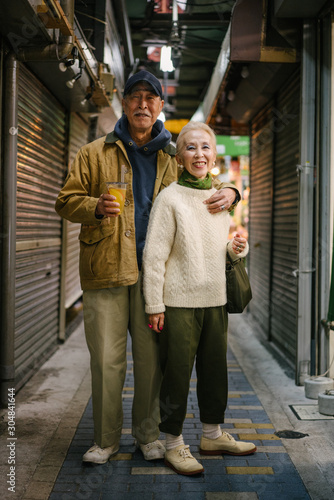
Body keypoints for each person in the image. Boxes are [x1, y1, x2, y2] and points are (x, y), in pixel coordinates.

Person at [55, 71, 240, 465]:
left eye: (150, 98)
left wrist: (232, 192)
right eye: (135, 96)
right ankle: (105, 441)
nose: (142, 104)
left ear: (160, 106)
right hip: (106, 269)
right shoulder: (93, 153)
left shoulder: (174, 154)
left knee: (152, 361)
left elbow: (205, 182)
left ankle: (148, 435)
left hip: (158, 278)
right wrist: (92, 207)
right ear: (124, 102)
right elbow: (65, 200)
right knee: (106, 360)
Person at [142, 121, 256, 476]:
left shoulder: (221, 197)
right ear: (179, 157)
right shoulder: (170, 198)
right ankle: (174, 444)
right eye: (190, 147)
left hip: (215, 299)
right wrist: (154, 304)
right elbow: (154, 256)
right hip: (178, 303)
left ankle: (212, 435)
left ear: (214, 154)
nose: (199, 154)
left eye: (205, 147)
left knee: (215, 372)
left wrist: (236, 248)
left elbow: (218, 248)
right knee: (176, 374)